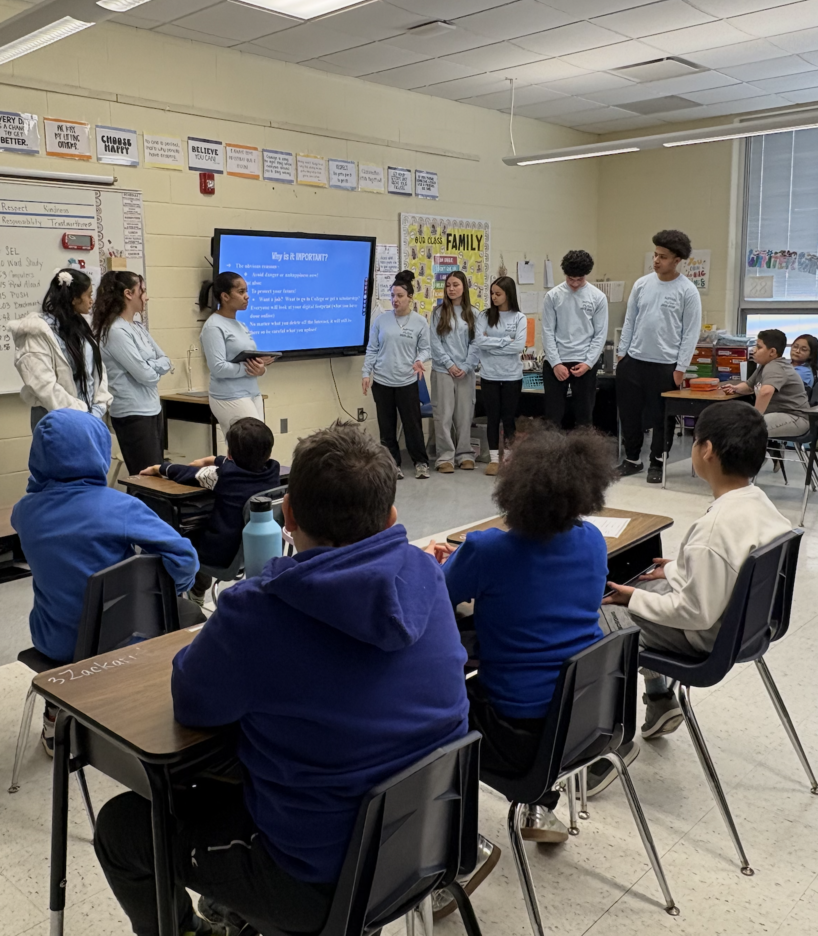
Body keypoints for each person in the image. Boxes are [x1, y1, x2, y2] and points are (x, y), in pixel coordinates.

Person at [93, 421, 495, 936]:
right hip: (427, 843)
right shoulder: (427, 575)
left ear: (287, 516)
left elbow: (191, 703)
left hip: (315, 882)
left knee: (123, 827)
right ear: (392, 515)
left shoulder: (255, 613)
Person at [436, 424, 635, 828]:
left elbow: (435, 595)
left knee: (427, 706)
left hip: (514, 736)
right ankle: (539, 808)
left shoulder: (486, 550)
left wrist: (439, 563)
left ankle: (445, 843)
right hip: (586, 716)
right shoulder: (594, 541)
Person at [11, 409, 201, 751]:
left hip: (54, 643)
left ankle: (56, 715)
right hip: (121, 643)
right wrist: (169, 587)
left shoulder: (23, 512)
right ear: (96, 451)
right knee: (190, 615)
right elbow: (184, 557)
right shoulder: (120, 507)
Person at [604, 401, 791, 742]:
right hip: (749, 629)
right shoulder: (758, 502)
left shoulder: (714, 529)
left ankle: (603, 744)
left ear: (706, 450)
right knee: (650, 588)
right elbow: (724, 569)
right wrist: (678, 569)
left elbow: (693, 612)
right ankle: (660, 700)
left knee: (601, 622)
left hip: (706, 638)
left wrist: (631, 599)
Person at [141, 417, 281, 606]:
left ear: (230, 453)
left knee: (179, 535)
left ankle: (180, 599)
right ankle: (197, 592)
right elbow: (242, 465)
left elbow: (188, 473)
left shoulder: (221, 476)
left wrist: (160, 467)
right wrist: (215, 459)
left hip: (221, 554)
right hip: (255, 550)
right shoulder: (273, 471)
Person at [616, 230, 702, 483]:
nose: (656, 260)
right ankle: (632, 459)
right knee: (630, 415)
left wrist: (681, 367)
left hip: (665, 365)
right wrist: (622, 354)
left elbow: (690, 333)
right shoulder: (642, 284)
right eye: (655, 255)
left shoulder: (687, 291)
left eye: (662, 257)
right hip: (633, 362)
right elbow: (629, 320)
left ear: (677, 260)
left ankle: (657, 462)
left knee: (661, 418)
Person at [8, 268, 112, 432]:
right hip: (56, 419)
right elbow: (42, 384)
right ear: (74, 299)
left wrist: (98, 408)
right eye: (88, 295)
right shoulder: (36, 332)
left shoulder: (82, 327)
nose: (92, 301)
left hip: (90, 418)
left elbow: (99, 371)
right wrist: (81, 412)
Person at [92, 270, 173, 475]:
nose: (146, 297)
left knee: (157, 475)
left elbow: (166, 360)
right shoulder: (116, 331)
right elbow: (146, 376)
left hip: (152, 408)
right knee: (146, 477)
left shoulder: (137, 326)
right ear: (129, 293)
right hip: (132, 413)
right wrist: (152, 367)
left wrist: (150, 365)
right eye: (142, 291)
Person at [362, 270, 431, 480]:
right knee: (387, 427)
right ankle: (393, 464)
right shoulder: (381, 321)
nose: (395, 300)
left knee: (412, 425)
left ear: (410, 298)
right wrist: (366, 373)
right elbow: (372, 349)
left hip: (407, 381)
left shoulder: (419, 322)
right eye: (393, 295)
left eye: (400, 296)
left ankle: (421, 462)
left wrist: (420, 360)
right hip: (382, 381)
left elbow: (426, 348)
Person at [198, 272, 275, 437]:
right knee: (248, 446)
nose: (247, 297)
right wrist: (247, 369)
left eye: (246, 291)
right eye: (241, 292)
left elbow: (250, 358)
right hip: (229, 396)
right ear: (225, 296)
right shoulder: (213, 326)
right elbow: (218, 367)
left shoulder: (240, 325)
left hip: (252, 392)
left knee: (258, 445)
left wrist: (261, 369)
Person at [541, 250, 608, 429]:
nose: (575, 284)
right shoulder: (553, 296)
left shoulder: (598, 297)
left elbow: (600, 334)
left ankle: (583, 456)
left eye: (580, 279)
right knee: (553, 417)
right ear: (565, 274)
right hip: (556, 362)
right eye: (571, 279)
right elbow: (547, 331)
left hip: (584, 363)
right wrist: (556, 363)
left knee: (584, 417)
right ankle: (552, 455)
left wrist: (588, 363)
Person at [475, 276, 527, 476]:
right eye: (492, 294)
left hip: (512, 376)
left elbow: (519, 346)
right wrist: (506, 341)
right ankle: (495, 460)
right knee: (493, 418)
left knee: (508, 419)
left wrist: (493, 344)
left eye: (498, 294)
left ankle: (509, 459)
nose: (494, 297)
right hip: (490, 375)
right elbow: (480, 342)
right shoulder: (484, 316)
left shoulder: (519, 318)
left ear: (508, 295)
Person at [430, 270, 478, 473]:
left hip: (465, 372)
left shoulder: (474, 313)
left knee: (465, 414)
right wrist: (449, 364)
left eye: (455, 285)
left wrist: (466, 366)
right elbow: (435, 342)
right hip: (443, 371)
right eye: (448, 285)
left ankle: (465, 454)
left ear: (464, 287)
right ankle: (445, 457)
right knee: (444, 415)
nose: (451, 289)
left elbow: (476, 343)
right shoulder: (438, 312)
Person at [723, 329, 810, 438]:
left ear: (772, 352)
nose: (754, 350)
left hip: (795, 418)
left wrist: (754, 418)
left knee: (746, 429)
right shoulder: (764, 365)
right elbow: (749, 386)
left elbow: (765, 392)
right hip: (782, 415)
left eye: (759, 347)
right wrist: (735, 388)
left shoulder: (775, 367)